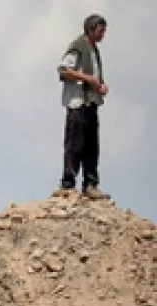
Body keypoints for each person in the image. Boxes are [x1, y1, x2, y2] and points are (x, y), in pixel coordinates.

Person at [56, 14, 110, 200]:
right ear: (90, 29)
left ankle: (90, 184)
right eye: (100, 30)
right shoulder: (78, 47)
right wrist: (87, 79)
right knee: (74, 145)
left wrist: (100, 86)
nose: (103, 34)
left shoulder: (93, 51)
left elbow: (94, 75)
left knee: (91, 146)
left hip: (91, 103)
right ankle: (68, 184)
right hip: (77, 103)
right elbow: (63, 71)